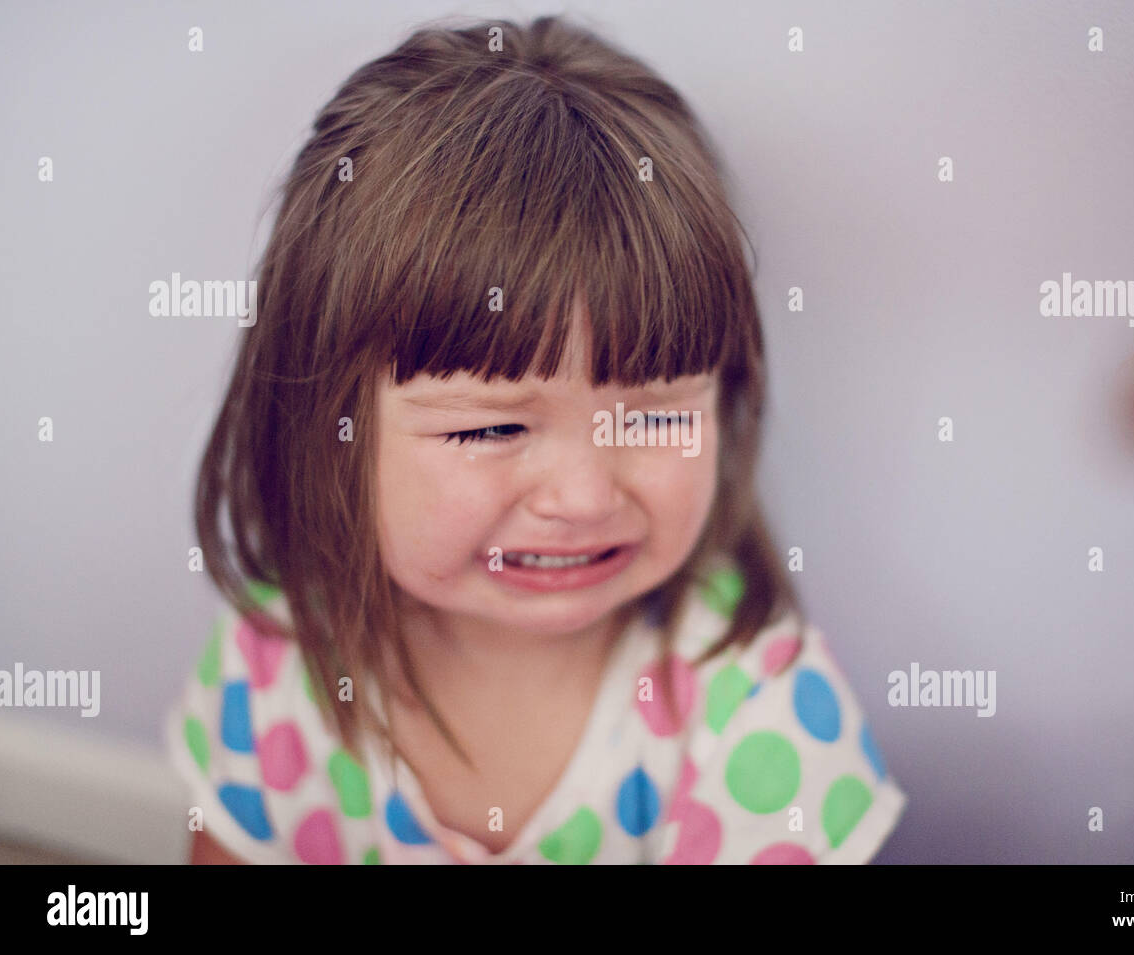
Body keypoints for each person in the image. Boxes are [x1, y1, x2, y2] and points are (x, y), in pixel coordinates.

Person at [165, 14, 906, 864]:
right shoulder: (273, 668)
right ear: (330, 430)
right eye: (493, 425)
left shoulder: (760, 713)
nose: (585, 495)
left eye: (657, 414)